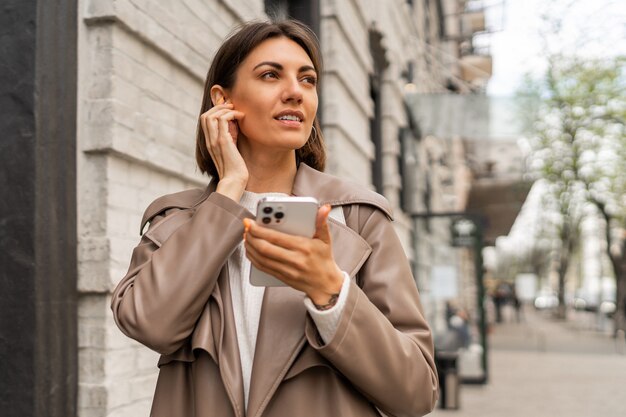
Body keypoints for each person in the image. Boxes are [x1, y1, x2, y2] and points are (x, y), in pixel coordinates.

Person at [111, 19, 438, 417]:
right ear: (222, 100)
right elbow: (150, 325)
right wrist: (229, 190)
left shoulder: (359, 218)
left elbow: (417, 392)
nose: (295, 93)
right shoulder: (174, 220)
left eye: (308, 80)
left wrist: (330, 291)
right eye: (270, 75)